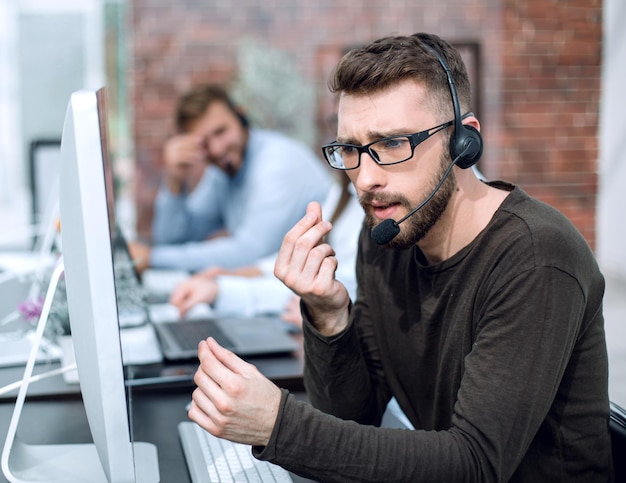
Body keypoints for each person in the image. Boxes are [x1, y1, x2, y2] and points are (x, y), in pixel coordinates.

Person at [186, 33, 613, 481]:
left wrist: (278, 425)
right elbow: (355, 415)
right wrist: (330, 315)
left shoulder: (535, 256)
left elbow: (475, 466)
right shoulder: (387, 239)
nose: (365, 178)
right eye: (350, 150)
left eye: (392, 144)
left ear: (463, 142)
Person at [129, 84, 332, 273]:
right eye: (204, 143)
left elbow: (249, 252)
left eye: (221, 131)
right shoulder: (223, 172)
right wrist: (175, 181)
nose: (216, 149)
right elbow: (175, 240)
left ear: (241, 117)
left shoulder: (278, 162)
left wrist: (152, 258)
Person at [168, 173, 363, 325]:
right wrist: (236, 273)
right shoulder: (343, 190)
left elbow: (348, 284)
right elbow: (300, 265)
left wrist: (221, 290)